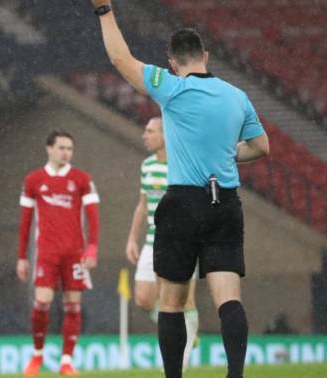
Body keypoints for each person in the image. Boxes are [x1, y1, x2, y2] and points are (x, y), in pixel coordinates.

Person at [90, 2, 270, 377]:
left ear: (172, 61)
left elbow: (120, 58)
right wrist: (228, 154)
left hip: (182, 203)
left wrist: (105, 10)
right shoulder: (237, 96)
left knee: (170, 303)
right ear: (205, 56)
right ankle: (235, 375)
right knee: (228, 300)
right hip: (225, 202)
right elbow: (261, 147)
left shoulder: (170, 87)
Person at [17, 130, 100, 377]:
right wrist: (22, 256)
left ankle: (66, 361)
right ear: (49, 149)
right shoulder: (33, 180)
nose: (66, 153)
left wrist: (92, 247)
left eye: (70, 149)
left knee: (73, 305)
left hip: (74, 253)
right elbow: (25, 222)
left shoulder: (82, 179)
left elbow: (94, 217)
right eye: (62, 148)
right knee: (42, 302)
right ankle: (38, 354)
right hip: (47, 252)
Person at [125, 117, 199, 370]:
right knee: (144, 299)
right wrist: (132, 238)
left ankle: (183, 360)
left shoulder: (183, 165)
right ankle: (180, 329)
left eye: (150, 131)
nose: (144, 135)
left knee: (183, 301)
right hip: (151, 241)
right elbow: (142, 204)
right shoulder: (146, 165)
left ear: (166, 136)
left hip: (180, 241)